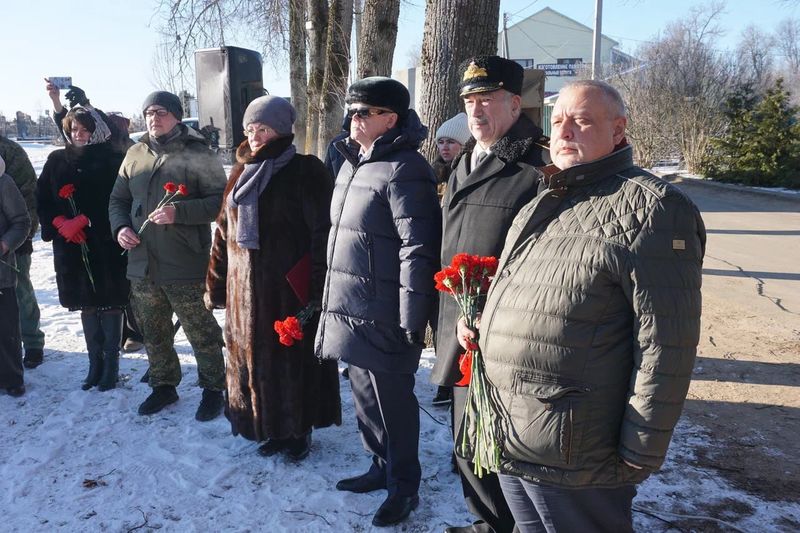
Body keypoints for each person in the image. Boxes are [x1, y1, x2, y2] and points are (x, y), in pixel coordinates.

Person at [458, 80, 706, 532]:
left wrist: (641, 448)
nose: (565, 131)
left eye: (582, 120)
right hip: (512, 428)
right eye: (557, 121)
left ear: (618, 131)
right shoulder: (549, 196)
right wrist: (485, 322)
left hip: (575, 446)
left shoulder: (654, 209)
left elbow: (666, 344)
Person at [314, 77, 441, 527]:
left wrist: (412, 314)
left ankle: (403, 485)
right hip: (351, 305)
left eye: (364, 112)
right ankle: (378, 464)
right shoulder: (352, 162)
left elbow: (418, 247)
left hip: (386, 309)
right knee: (364, 393)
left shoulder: (407, 169)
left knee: (393, 400)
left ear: (391, 118)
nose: (354, 119)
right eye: (352, 112)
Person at [432, 55, 549, 533]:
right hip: (458, 325)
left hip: (498, 335)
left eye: (488, 100)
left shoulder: (537, 168)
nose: (476, 111)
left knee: (498, 444)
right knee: (467, 441)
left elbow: (543, 265)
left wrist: (490, 316)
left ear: (515, 103)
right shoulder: (467, 156)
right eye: (469, 100)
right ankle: (486, 524)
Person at [205, 95, 341, 461]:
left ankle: (299, 431)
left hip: (287, 292)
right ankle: (270, 428)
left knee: (291, 363)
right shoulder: (238, 173)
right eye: (250, 128)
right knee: (254, 364)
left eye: (263, 128)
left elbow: (323, 234)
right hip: (241, 294)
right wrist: (216, 285)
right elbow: (222, 233)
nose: (255, 136)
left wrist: (315, 291)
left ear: (282, 129)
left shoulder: (305, 170)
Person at [109, 91, 227, 421]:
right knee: (153, 330)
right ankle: (163, 385)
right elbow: (117, 200)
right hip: (142, 262)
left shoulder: (198, 153)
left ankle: (214, 388)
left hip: (184, 260)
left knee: (200, 330)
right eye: (148, 112)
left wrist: (180, 213)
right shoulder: (134, 153)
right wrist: (120, 228)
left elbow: (220, 201)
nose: (153, 117)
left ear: (176, 115)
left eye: (161, 111)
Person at [37, 107, 129, 391]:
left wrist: (86, 219)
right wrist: (59, 221)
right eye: (74, 130)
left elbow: (118, 199)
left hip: (105, 243)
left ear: (96, 131)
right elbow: (42, 197)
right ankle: (95, 364)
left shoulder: (114, 159)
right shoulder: (56, 160)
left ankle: (111, 366)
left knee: (110, 301)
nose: (79, 135)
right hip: (71, 246)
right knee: (87, 303)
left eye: (85, 130)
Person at [0, 135, 45, 369]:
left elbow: (29, 192)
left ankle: (33, 342)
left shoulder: (9, 150)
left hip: (13, 238)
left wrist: (25, 236)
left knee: (21, 290)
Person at [0, 155, 31, 397]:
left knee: (5, 328)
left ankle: (11, 377)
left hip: (0, 272)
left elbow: (21, 222)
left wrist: (4, 245)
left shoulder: (3, 180)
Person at [431, 112, 470, 195]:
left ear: (463, 145)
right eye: (441, 142)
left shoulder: (469, 170)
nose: (445, 147)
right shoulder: (432, 172)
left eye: (451, 142)